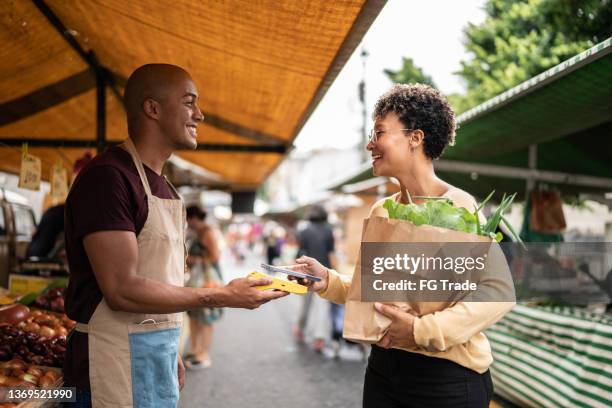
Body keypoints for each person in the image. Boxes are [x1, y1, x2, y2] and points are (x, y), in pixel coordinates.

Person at [63, 64, 287, 408]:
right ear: (152, 108)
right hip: (111, 363)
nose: (199, 114)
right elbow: (122, 289)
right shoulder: (109, 177)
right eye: (189, 102)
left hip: (157, 351)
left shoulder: (165, 186)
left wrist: (170, 349)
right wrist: (221, 295)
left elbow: (160, 277)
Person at [292, 84, 515, 407]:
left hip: (446, 378)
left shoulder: (459, 206)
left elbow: (497, 294)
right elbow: (375, 294)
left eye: (380, 132)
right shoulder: (381, 211)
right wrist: (326, 280)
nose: (370, 143)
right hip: (384, 372)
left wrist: (422, 330)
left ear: (415, 138)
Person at [293, 205, 336, 353]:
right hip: (324, 273)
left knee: (305, 304)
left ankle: (300, 328)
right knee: (322, 307)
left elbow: (299, 253)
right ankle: (319, 338)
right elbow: (331, 254)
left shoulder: (304, 231)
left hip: (306, 272)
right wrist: (336, 272)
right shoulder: (329, 231)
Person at [185, 205, 222, 369]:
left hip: (208, 279)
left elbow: (215, 257)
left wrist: (194, 260)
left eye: (187, 218)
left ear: (193, 218)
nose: (187, 222)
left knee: (206, 317)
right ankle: (194, 350)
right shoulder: (198, 233)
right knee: (194, 316)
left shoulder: (207, 232)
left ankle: (203, 353)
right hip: (197, 280)